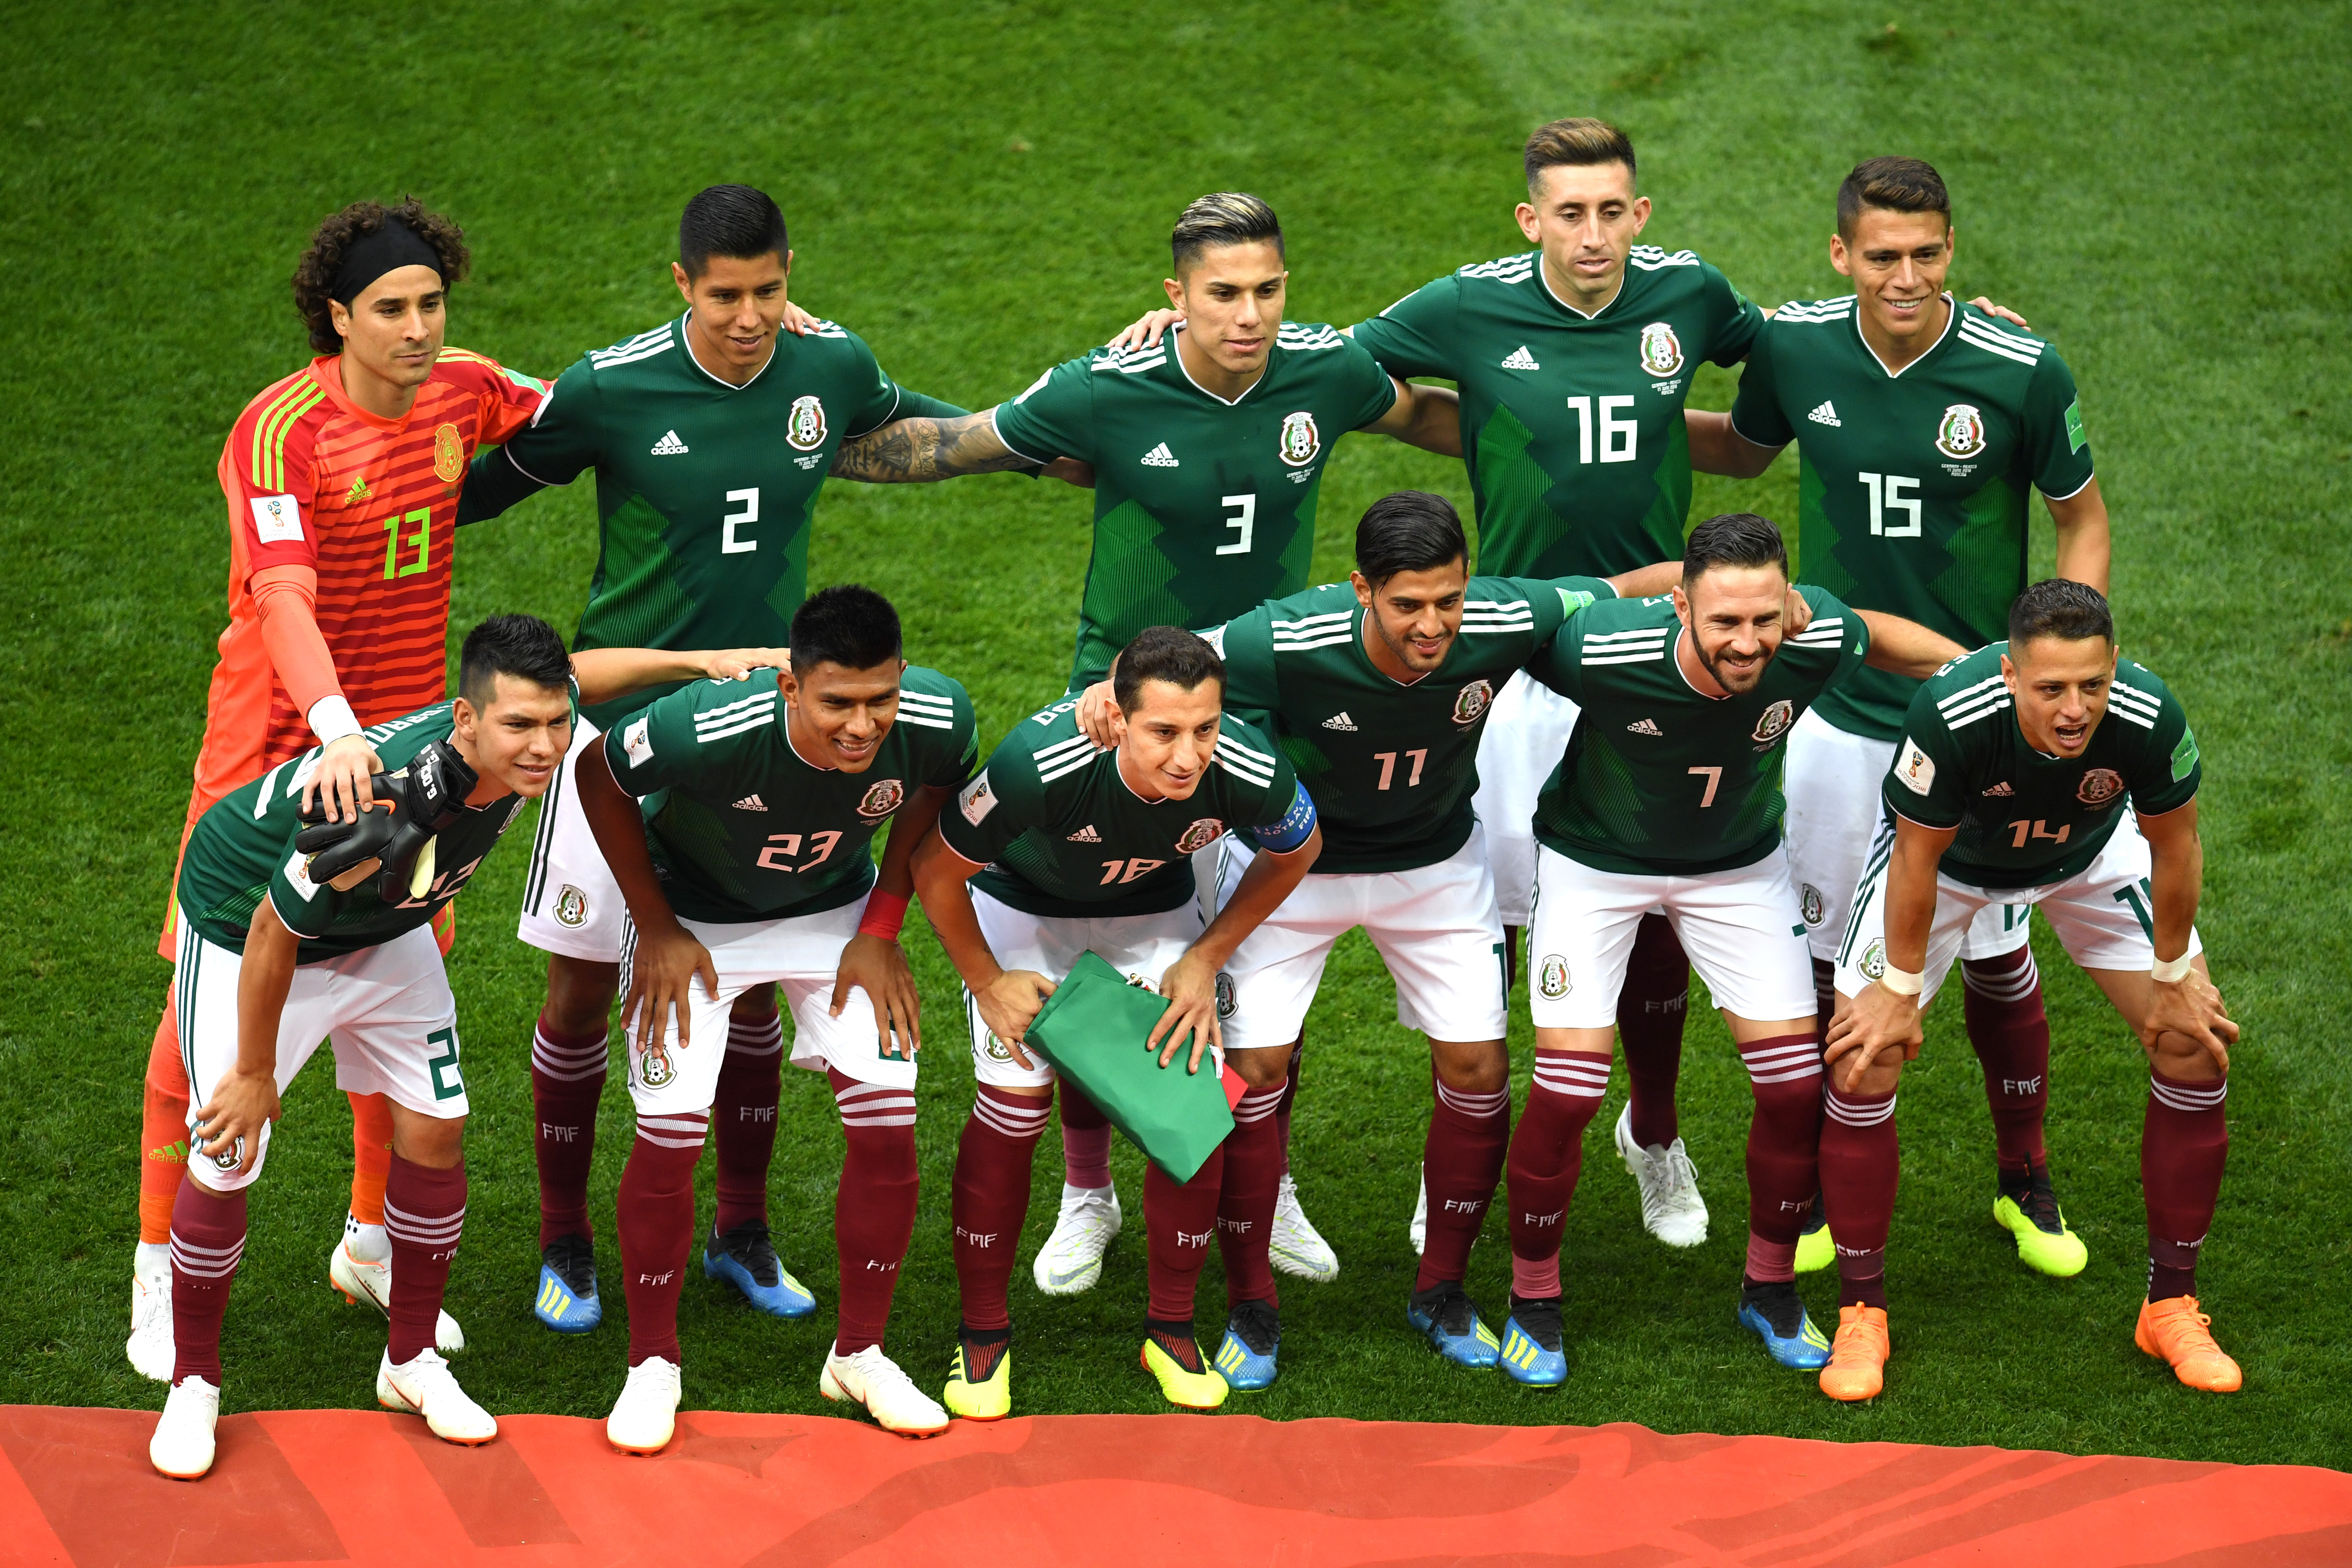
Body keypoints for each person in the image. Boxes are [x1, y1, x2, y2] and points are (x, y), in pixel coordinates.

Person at [831, 191, 1459, 1297]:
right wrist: (780, 430)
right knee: (1093, 935)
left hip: (1255, 715)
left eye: (1267, 289)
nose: (1249, 314)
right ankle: (1088, 1191)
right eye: (1223, 294)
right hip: (1119, 713)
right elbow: (951, 446)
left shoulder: (1326, 370)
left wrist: (1572, 415)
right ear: (1176, 296)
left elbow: (1437, 416)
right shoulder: (1106, 387)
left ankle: (1269, 1179)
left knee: (1252, 968)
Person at [454, 185, 1009, 1334]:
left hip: (771, 727)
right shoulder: (610, 387)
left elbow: (918, 433)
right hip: (618, 729)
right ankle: (565, 1238)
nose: (751, 317)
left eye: (769, 291)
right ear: (682, 285)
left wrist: (1063, 429)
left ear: (791, 274)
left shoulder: (828, 364)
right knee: (581, 988)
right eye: (725, 297)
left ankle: (740, 1231)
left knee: (748, 984)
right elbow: (474, 492)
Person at [1088, 491, 1680, 1382]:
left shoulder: (1506, 614)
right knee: (1252, 1074)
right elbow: (1167, 660)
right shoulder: (1283, 637)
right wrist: (1105, 693)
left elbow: (1625, 585)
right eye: (1408, 604)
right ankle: (1252, 1304)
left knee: (1478, 1068)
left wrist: (1717, 590)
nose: (1433, 624)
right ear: (1362, 589)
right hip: (1291, 866)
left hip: (1435, 864)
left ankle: (1441, 1289)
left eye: (1449, 599)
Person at [148, 617, 753, 1478]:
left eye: (557, 723)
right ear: (466, 721)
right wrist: (251, 1072)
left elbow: (583, 674)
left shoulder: (523, 726)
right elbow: (276, 927)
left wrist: (703, 658)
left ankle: (410, 1364)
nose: (546, 745)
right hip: (250, 926)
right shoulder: (382, 801)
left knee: (437, 1126)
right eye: (522, 726)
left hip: (385, 926)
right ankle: (193, 1383)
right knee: (228, 1151)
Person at [130, 197, 550, 1381]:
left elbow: (581, 405)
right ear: (337, 316)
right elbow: (280, 595)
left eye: (432, 304)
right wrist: (332, 728)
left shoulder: (466, 388)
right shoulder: (281, 432)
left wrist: (738, 342)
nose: (418, 329)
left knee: (394, 984)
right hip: (275, 743)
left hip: (411, 750)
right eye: (391, 309)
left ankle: (370, 1242)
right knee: (197, 1030)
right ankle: (159, 1262)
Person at [1690, 156, 2111, 1279]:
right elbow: (1742, 445)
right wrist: (1608, 423)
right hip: (1838, 711)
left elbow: (2080, 518)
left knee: (1997, 950)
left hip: (1980, 714)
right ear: (1842, 254)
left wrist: (2060, 670)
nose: (1908, 277)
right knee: (1831, 956)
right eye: (1883, 256)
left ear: (1953, 249)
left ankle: (2025, 1172)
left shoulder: (2021, 368)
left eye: (1928, 254)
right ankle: (1820, 1179)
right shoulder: (1795, 346)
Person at [1510, 514, 1960, 1385]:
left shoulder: (1810, 633)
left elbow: (1879, 636)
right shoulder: (1600, 647)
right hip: (1595, 864)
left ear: (1788, 604)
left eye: (1764, 618)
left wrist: (1987, 672)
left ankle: (1770, 1286)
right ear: (1681, 607)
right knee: (1566, 1093)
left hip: (1737, 868)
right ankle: (1533, 1297)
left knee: (1794, 1088)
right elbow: (1500, 637)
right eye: (1724, 621)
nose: (1748, 643)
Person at [576, 586, 975, 1449]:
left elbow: (938, 789)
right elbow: (596, 775)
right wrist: (657, 927)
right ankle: (651, 1363)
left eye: (880, 700)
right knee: (669, 1135)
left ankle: (859, 1354)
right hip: (694, 915)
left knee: (890, 1129)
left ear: (903, 677)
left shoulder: (940, 715)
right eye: (837, 704)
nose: (862, 726)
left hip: (833, 914)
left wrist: (881, 927)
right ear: (791, 686)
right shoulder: (705, 726)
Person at [1826, 580, 2236, 1400]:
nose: (2075, 709)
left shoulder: (2149, 713)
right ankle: (1861, 1312)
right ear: (2010, 674)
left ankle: (2170, 1305)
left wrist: (2171, 976)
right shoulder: (1953, 713)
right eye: (2051, 688)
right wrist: (1898, 989)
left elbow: (2176, 845)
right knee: (1864, 1059)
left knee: (2194, 1045)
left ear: (2115, 664)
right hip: (1951, 869)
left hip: (2087, 860)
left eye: (2092, 684)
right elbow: (1915, 858)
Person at [912, 626, 1320, 1416]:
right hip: (1024, 913)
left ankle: (1171, 1329)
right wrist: (988, 982)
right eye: (1163, 732)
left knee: (1188, 1099)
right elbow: (935, 869)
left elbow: (1298, 851)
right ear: (1116, 716)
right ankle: (982, 1334)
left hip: (1150, 912)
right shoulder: (1041, 763)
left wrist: (1204, 957)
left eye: (1204, 729)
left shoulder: (1247, 764)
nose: (1188, 756)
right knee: (1013, 1106)